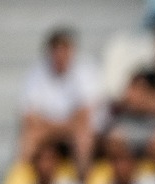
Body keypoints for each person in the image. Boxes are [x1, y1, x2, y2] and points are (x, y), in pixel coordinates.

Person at [18, 27, 106, 168]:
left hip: (76, 130)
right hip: (58, 129)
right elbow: (29, 117)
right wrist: (62, 127)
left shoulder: (85, 70)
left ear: (72, 50)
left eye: (64, 49)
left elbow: (85, 115)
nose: (60, 55)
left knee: (83, 137)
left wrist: (51, 126)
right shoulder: (36, 72)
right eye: (56, 50)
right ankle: (21, 182)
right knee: (28, 138)